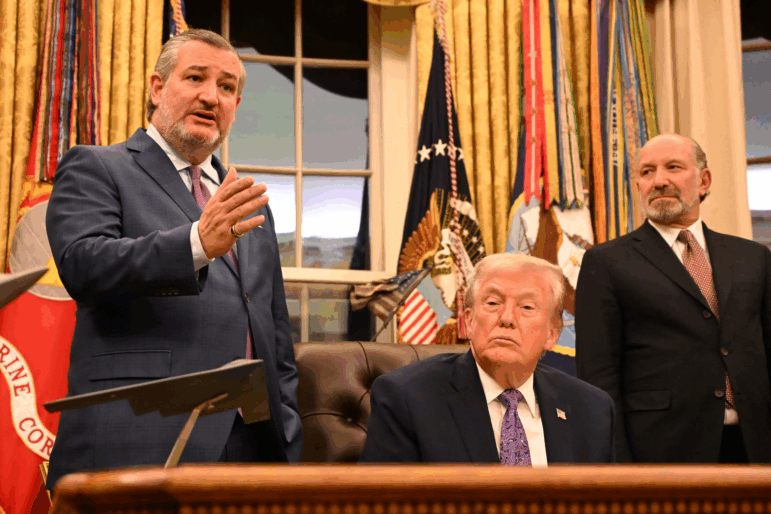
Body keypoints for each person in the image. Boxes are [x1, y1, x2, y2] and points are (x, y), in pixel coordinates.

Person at [45, 29, 302, 489]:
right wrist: (197, 244)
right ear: (157, 88)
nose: (211, 96)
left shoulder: (249, 205)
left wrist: (286, 429)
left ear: (236, 108)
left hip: (252, 449)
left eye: (226, 88)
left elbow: (274, 335)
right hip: (138, 440)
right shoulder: (99, 166)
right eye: (196, 78)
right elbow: (83, 265)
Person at [575, 133, 771, 463]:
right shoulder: (606, 262)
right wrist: (619, 466)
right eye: (647, 172)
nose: (659, 181)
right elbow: (598, 377)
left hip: (755, 445)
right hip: (662, 451)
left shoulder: (753, 257)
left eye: (673, 167)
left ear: (704, 180)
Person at [359, 253, 615, 464]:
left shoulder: (591, 409)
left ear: (552, 334)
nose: (507, 318)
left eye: (526, 307)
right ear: (468, 320)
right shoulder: (407, 398)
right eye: (493, 303)